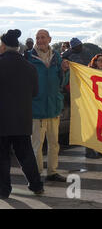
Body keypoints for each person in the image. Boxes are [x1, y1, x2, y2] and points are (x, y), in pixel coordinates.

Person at [0, 30, 44, 199]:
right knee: (26, 155)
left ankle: (4, 190)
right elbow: (35, 92)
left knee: (2, 157)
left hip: (2, 120)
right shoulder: (30, 67)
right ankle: (36, 185)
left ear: (3, 46)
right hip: (22, 119)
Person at [25, 29, 69, 182]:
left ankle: (52, 172)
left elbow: (61, 82)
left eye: (43, 37)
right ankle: (36, 174)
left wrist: (64, 70)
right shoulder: (28, 57)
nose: (40, 40)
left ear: (50, 39)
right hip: (37, 108)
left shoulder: (57, 57)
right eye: (38, 37)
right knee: (37, 145)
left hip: (53, 107)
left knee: (54, 144)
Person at [84, 54, 102, 159]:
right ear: (95, 61)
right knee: (91, 128)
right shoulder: (88, 72)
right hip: (92, 104)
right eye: (99, 60)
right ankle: (89, 150)